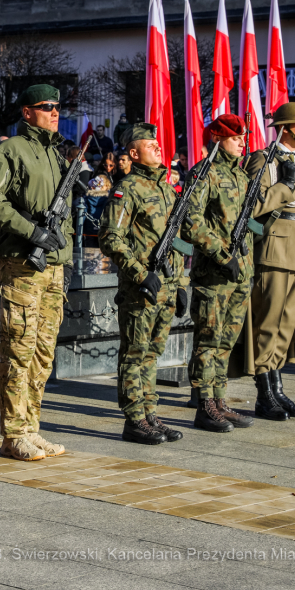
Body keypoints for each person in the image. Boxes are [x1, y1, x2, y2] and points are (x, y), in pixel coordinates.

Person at [0, 84, 78, 461]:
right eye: (46, 106)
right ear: (27, 112)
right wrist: (31, 230)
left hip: (53, 265)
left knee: (42, 352)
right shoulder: (10, 150)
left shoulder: (55, 152)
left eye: (57, 106)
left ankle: (31, 426)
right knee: (18, 348)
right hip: (22, 262)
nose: (55, 111)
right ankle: (13, 432)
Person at [98, 123, 186, 445]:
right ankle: (134, 419)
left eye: (157, 143)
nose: (158, 147)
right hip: (141, 289)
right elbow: (110, 237)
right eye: (150, 144)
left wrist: (180, 284)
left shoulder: (165, 188)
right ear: (134, 153)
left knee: (152, 355)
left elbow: (175, 242)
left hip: (165, 286)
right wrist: (139, 273)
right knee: (134, 354)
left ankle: (150, 414)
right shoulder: (127, 188)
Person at [244, 102, 295, 421]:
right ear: (285, 128)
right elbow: (251, 206)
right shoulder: (263, 160)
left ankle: (277, 389)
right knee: (269, 323)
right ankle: (264, 394)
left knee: (287, 324)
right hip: (275, 249)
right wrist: (282, 186)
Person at [180, 116, 255, 433]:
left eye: (243, 137)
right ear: (217, 138)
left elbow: (246, 224)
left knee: (226, 342)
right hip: (214, 273)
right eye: (235, 137)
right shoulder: (203, 173)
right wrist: (223, 256)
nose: (241, 141)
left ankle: (220, 401)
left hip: (240, 272)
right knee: (208, 341)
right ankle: (204, 405)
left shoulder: (240, 175)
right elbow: (190, 221)